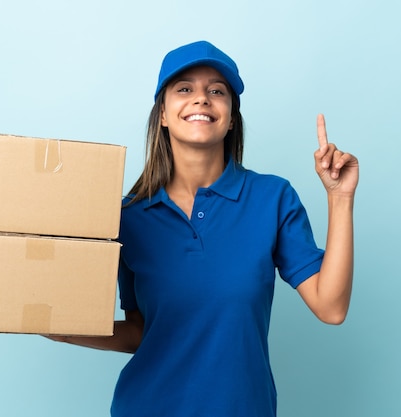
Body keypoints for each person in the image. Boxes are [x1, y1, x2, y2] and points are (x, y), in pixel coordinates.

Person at [45, 40, 359, 417]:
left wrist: (340, 198)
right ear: (162, 113)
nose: (201, 99)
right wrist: (58, 327)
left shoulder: (272, 198)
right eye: (184, 89)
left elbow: (332, 307)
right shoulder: (128, 217)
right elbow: (143, 331)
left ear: (230, 116)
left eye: (216, 91)